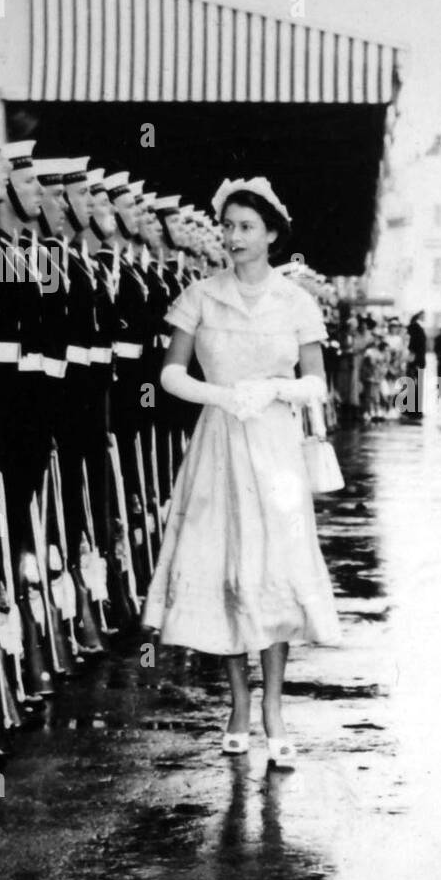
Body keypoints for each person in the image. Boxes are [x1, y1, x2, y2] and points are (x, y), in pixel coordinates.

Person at [144, 176, 340, 768]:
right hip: (220, 444)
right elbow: (169, 374)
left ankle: (275, 709)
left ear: (272, 234)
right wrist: (221, 396)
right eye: (227, 226)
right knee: (228, 565)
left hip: (276, 448)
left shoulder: (296, 301)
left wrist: (276, 389)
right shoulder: (201, 295)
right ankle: (237, 704)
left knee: (274, 569)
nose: (232, 237)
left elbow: (316, 383)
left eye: (245, 227)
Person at [405, 310, 427, 418]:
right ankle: (414, 410)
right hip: (416, 362)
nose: (425, 316)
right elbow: (414, 347)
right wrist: (416, 362)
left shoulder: (415, 327)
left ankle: (414, 409)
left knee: (414, 384)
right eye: (423, 315)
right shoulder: (415, 327)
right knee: (415, 385)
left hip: (417, 361)